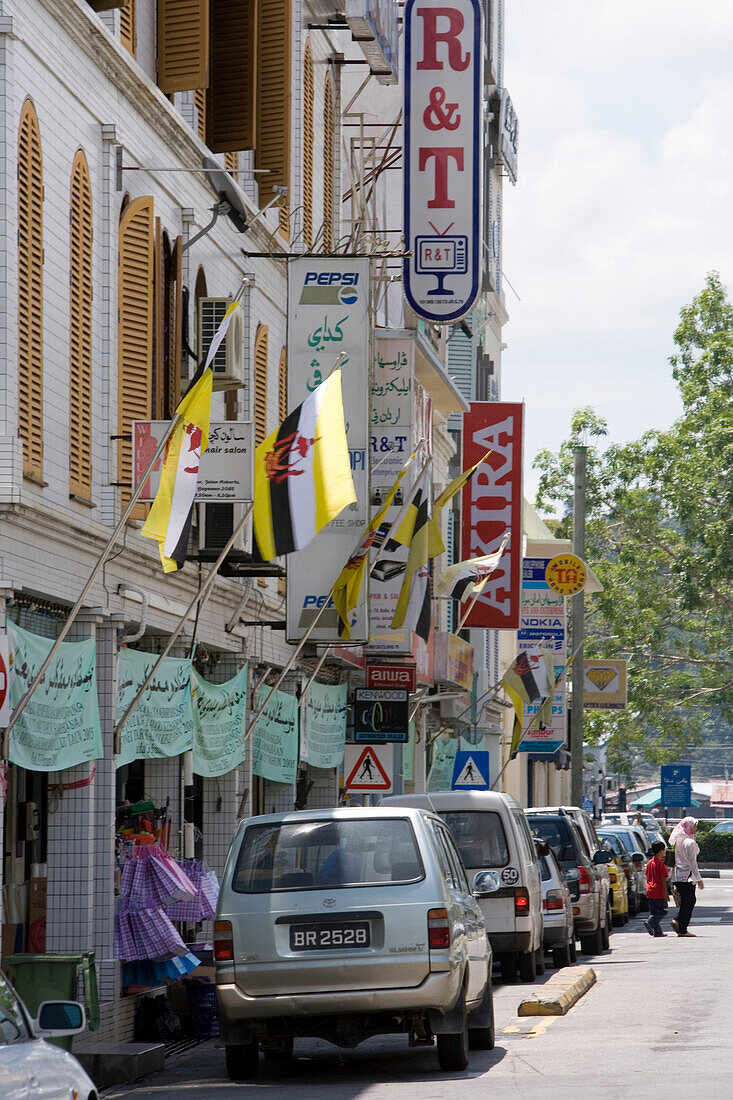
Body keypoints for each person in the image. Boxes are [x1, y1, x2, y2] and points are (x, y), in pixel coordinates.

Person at [668, 816, 704, 937]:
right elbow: (693, 863)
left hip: (677, 876)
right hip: (687, 877)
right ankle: (682, 927)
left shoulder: (678, 841)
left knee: (687, 901)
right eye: (694, 825)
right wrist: (698, 879)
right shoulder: (690, 843)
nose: (695, 828)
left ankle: (679, 922)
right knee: (688, 902)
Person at [644, 840, 670, 937]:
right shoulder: (661, 864)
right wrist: (666, 894)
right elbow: (663, 879)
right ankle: (650, 922)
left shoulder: (650, 862)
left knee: (654, 911)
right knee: (663, 910)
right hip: (658, 891)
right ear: (661, 851)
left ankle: (657, 932)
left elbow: (647, 875)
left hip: (649, 890)